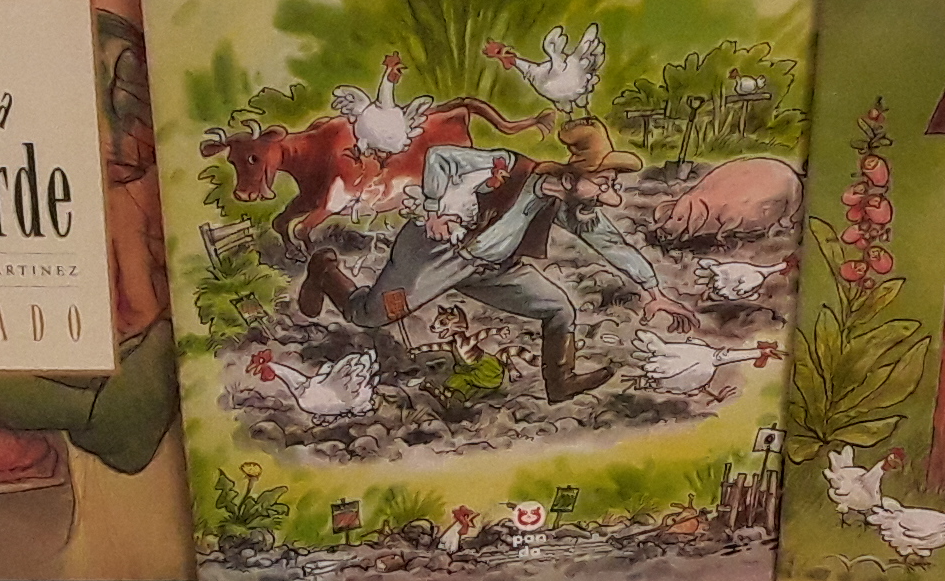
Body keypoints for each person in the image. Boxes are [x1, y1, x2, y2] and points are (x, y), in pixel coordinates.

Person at [296, 118, 697, 404]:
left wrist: (653, 291)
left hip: (494, 270)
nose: (610, 193)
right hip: (436, 254)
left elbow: (611, 243)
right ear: (570, 177)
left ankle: (560, 383)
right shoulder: (508, 167)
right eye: (603, 182)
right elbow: (440, 158)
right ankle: (325, 271)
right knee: (370, 315)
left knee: (558, 308)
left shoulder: (570, 205)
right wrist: (434, 209)